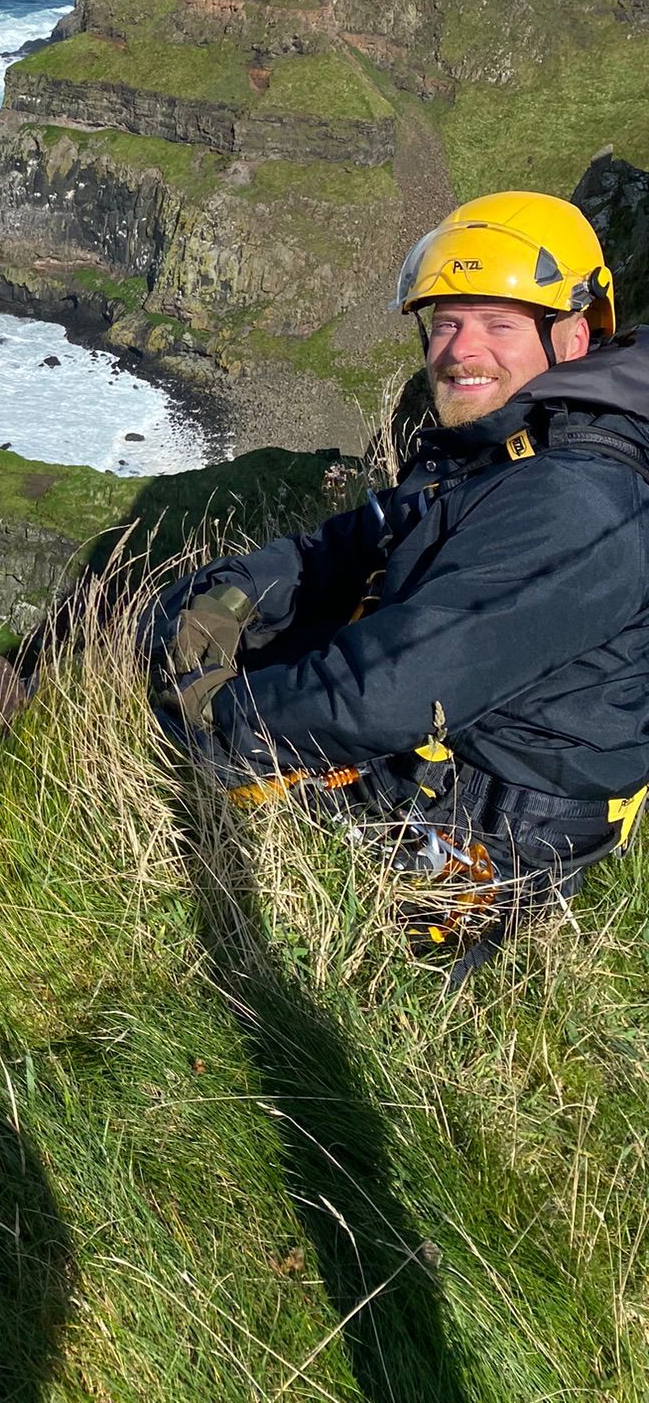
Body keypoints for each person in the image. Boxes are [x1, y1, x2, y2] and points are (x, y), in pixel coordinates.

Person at [148, 189, 649, 975]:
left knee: (166, 789)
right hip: (446, 748)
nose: (461, 350)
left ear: (576, 335)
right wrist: (241, 590)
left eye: (500, 324)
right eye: (446, 321)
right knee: (152, 632)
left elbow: (396, 688)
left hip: (482, 822)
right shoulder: (513, 441)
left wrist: (222, 718)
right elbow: (370, 534)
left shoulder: (575, 500)